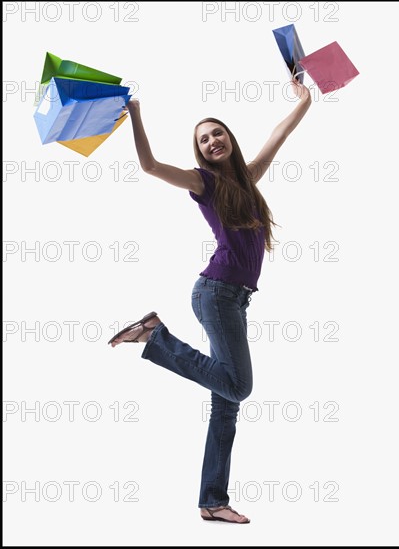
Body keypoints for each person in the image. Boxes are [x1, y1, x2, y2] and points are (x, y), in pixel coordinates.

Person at [109, 79, 311, 523]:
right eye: (203, 139)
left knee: (226, 400)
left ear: (229, 139)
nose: (211, 140)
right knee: (239, 385)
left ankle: (212, 501)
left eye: (216, 133)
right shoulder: (203, 182)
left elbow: (280, 133)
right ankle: (155, 336)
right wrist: (136, 114)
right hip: (216, 292)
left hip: (235, 299)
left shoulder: (248, 178)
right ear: (199, 153)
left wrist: (305, 99)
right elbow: (150, 165)